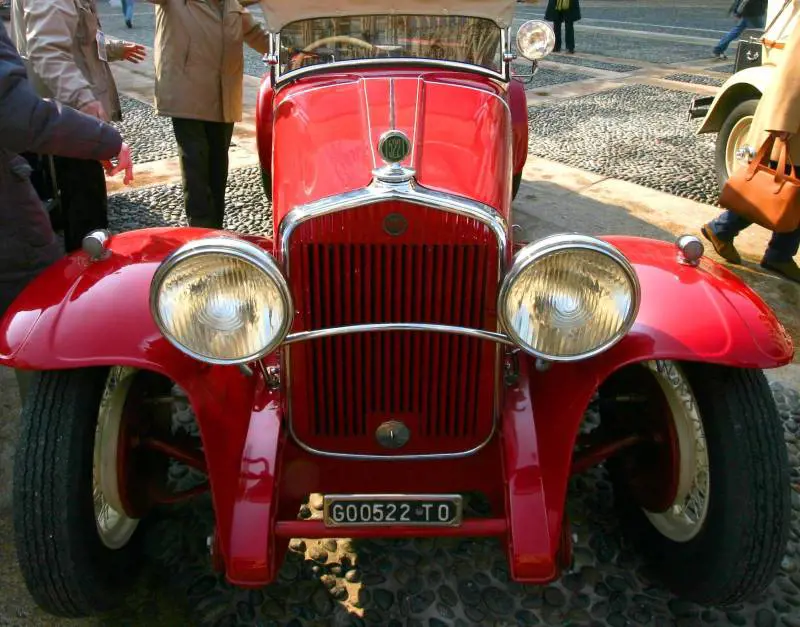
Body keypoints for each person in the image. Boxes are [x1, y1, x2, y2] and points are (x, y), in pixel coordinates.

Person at [0, 25, 132, 398]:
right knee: (34, 310)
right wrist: (101, 133)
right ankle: (45, 424)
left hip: (64, 122)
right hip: (61, 126)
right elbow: (17, 111)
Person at [11, 0, 145, 252]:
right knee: (85, 211)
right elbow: (48, 51)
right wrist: (88, 107)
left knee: (79, 203)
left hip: (68, 117)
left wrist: (113, 48)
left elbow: (75, 39)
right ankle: (83, 280)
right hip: (69, 120)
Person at [147, 0, 269, 229]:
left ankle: (215, 229)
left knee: (218, 165)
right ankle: (201, 230)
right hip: (187, 94)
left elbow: (255, 33)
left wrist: (291, 52)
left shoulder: (231, 3)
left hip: (223, 95)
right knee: (196, 164)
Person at [702, 22, 800, 283]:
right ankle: (725, 230)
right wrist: (784, 122)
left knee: (793, 193)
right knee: (779, 187)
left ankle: (778, 252)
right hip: (795, 122)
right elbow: (794, 71)